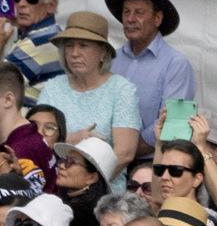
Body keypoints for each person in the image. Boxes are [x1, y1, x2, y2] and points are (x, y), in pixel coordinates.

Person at [37, 13, 140, 167]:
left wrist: (88, 181)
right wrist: (74, 138)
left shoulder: (122, 90)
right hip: (55, 182)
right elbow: (36, 140)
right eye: (69, 45)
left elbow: (125, 153)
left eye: (83, 46)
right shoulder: (52, 87)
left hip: (103, 186)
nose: (74, 53)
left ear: (102, 52)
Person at [107, 0, 198, 148]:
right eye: (126, 12)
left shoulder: (177, 64)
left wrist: (125, 152)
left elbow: (174, 126)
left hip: (151, 164)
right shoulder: (111, 59)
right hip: (106, 158)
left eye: (139, 12)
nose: (130, 19)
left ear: (157, 18)